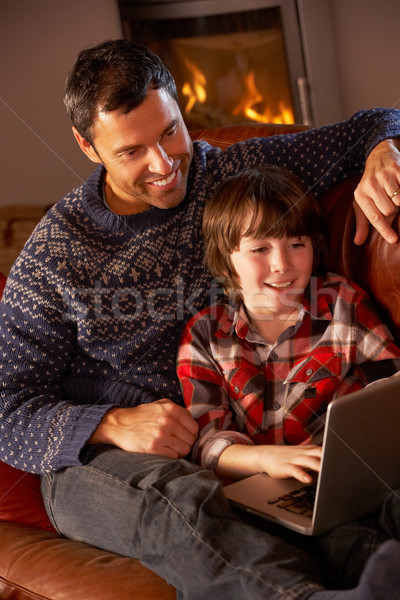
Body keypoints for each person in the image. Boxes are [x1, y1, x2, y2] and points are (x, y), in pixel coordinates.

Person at [0, 38, 400, 600]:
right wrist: (112, 423)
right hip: (99, 464)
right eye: (131, 152)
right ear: (87, 146)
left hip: (231, 427)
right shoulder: (52, 258)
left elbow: (375, 121)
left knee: (318, 504)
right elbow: (8, 407)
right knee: (182, 498)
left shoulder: (229, 173)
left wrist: (386, 149)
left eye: (169, 131)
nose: (164, 165)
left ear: (180, 106)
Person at [177, 163, 400, 484]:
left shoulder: (342, 302)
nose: (282, 265)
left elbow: (391, 391)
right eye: (260, 249)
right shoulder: (205, 334)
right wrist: (267, 459)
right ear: (226, 260)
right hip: (255, 484)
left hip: (343, 474)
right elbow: (208, 443)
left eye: (296, 244)